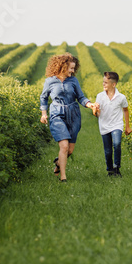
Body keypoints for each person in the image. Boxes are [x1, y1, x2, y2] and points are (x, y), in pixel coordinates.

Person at [39, 53, 96, 182]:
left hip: (73, 114)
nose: (73, 71)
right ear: (62, 66)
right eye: (71, 68)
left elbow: (81, 97)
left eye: (74, 68)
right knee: (64, 146)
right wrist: (44, 113)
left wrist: (89, 104)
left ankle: (58, 163)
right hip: (57, 113)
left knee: (69, 150)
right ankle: (63, 177)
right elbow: (43, 97)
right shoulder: (50, 81)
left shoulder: (73, 81)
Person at [93, 72, 132, 177]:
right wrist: (95, 111)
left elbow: (126, 110)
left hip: (117, 125)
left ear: (113, 84)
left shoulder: (121, 97)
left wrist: (127, 126)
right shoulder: (100, 96)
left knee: (117, 143)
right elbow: (97, 114)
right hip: (104, 126)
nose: (103, 84)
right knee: (108, 151)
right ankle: (110, 170)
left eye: (106, 82)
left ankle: (116, 167)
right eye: (103, 82)